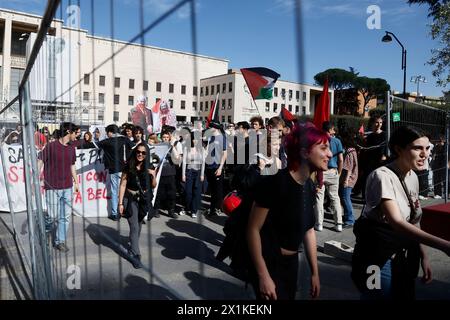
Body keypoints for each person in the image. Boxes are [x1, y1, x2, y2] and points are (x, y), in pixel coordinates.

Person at [351, 126, 450, 300]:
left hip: (403, 258)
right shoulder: (382, 176)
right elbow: (397, 221)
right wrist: (444, 245)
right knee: (375, 296)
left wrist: (424, 256)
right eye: (417, 148)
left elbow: (413, 219)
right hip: (375, 259)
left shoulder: (412, 176)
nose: (425, 154)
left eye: (427, 148)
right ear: (398, 149)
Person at [247, 122, 332, 300]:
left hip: (291, 265)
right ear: (304, 152)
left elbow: (308, 230)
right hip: (269, 263)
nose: (329, 154)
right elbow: (253, 230)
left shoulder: (309, 186)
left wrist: (315, 273)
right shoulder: (275, 182)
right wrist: (263, 276)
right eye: (324, 148)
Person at [38, 122, 80, 252]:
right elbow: (40, 161)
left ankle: (59, 241)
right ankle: (44, 232)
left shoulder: (72, 148)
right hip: (52, 187)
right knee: (51, 215)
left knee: (65, 216)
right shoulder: (51, 146)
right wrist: (35, 178)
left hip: (67, 187)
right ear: (68, 132)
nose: (76, 136)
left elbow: (72, 165)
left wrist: (76, 182)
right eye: (76, 133)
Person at [118, 143, 157, 269]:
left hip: (143, 201)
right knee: (134, 226)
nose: (140, 154)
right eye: (138, 152)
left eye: (143, 153)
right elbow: (123, 185)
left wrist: (153, 175)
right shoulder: (128, 166)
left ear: (147, 155)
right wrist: (120, 203)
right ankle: (136, 255)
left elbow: (153, 186)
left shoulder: (149, 166)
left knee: (138, 225)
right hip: (130, 199)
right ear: (135, 153)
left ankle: (133, 244)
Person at [95, 124, 134, 221]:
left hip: (114, 170)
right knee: (126, 190)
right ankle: (128, 211)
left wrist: (98, 136)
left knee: (114, 191)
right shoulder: (125, 139)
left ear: (110, 132)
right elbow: (134, 147)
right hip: (126, 169)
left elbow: (94, 145)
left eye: (107, 133)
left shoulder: (108, 141)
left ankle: (115, 213)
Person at [315, 121, 344, 232]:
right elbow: (341, 159)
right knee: (335, 197)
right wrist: (339, 173)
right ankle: (339, 224)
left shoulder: (319, 141)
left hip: (321, 172)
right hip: (333, 171)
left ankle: (319, 224)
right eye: (333, 129)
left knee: (319, 198)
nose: (334, 131)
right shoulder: (337, 141)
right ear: (330, 129)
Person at [181, 129, 205, 218]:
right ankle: (187, 208)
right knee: (188, 192)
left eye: (197, 139)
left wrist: (202, 174)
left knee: (196, 192)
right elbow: (184, 162)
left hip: (198, 172)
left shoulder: (201, 148)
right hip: (189, 172)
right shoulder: (187, 148)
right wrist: (183, 174)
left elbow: (203, 162)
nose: (195, 141)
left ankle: (193, 210)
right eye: (193, 139)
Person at [339, 128, 359, 227]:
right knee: (345, 197)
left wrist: (346, 180)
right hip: (352, 178)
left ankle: (350, 219)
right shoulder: (353, 150)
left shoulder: (349, 152)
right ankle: (348, 216)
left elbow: (348, 168)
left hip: (349, 179)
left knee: (345, 198)